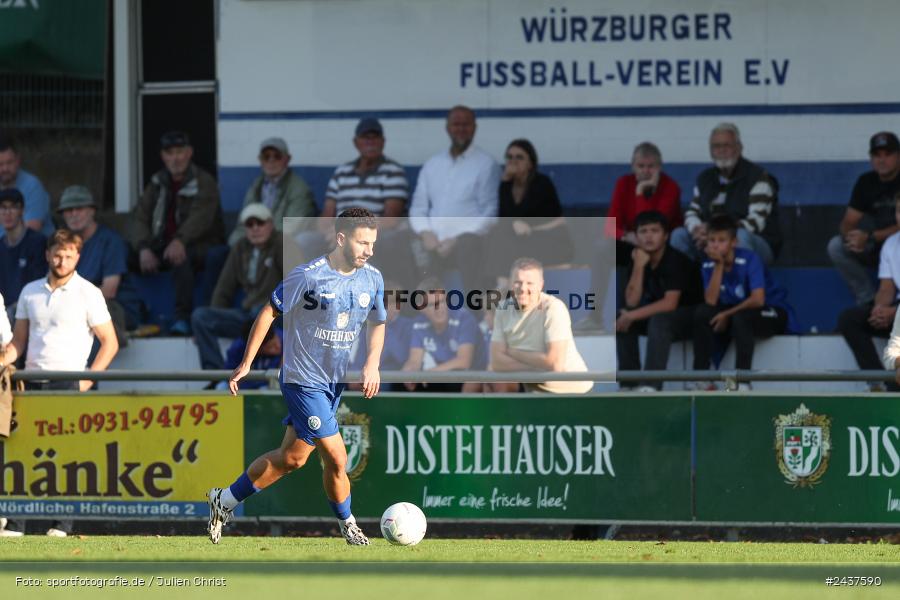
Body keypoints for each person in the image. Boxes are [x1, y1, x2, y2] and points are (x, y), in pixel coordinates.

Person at [206, 208, 386, 546]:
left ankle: (224, 500)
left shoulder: (372, 278)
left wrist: (372, 363)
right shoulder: (309, 276)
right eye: (363, 243)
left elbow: (378, 322)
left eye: (373, 243)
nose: (369, 250)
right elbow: (268, 312)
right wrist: (247, 362)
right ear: (341, 238)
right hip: (302, 379)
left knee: (292, 458)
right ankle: (349, 526)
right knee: (337, 455)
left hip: (333, 382)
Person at [0, 229, 119, 537]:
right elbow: (19, 343)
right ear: (47, 254)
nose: (62, 260)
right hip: (30, 381)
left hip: (68, 381)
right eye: (57, 253)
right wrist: (3, 359)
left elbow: (110, 343)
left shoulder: (89, 292)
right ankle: (16, 523)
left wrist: (88, 380)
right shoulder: (30, 291)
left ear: (77, 256)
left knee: (66, 456)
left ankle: (61, 525)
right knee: (23, 452)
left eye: (68, 255)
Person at [129, 130, 225, 335]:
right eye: (169, 153)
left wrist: (180, 240)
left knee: (181, 258)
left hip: (200, 244)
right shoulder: (156, 182)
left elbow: (201, 219)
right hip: (163, 243)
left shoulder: (204, 181)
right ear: (163, 156)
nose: (175, 158)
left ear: (189, 153)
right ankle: (132, 315)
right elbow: (140, 217)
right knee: (125, 255)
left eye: (180, 152)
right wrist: (144, 247)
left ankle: (183, 319)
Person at [691, 215, 796, 390]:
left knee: (741, 317)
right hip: (737, 312)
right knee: (702, 313)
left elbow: (758, 299)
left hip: (771, 310)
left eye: (721, 240)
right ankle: (701, 378)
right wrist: (718, 265)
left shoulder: (750, 259)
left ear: (734, 242)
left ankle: (742, 382)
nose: (715, 245)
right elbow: (710, 302)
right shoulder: (708, 265)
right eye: (711, 240)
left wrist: (726, 314)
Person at [409, 105, 500, 294]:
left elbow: (491, 213)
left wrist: (457, 239)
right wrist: (425, 232)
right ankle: (416, 317)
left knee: (469, 245)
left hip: (466, 245)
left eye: (466, 125)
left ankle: (474, 318)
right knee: (406, 243)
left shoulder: (486, 164)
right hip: (433, 243)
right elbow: (418, 208)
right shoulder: (433, 164)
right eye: (456, 124)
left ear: (474, 128)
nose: (460, 129)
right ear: (447, 128)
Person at [313, 118, 414, 286]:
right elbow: (326, 216)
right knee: (306, 240)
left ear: (382, 142)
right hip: (341, 234)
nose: (370, 142)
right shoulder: (342, 172)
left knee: (387, 241)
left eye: (375, 137)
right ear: (356, 142)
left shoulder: (393, 172)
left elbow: (391, 219)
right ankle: (310, 299)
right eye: (365, 137)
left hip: (374, 234)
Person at [192, 203, 283, 376]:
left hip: (276, 315)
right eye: (250, 224)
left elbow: (298, 283)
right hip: (248, 316)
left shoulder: (282, 243)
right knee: (200, 317)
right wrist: (214, 314)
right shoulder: (240, 247)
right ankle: (216, 375)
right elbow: (223, 288)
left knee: (260, 311)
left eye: (260, 223)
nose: (255, 228)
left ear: (271, 224)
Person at [615, 211, 703, 391]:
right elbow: (631, 302)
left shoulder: (676, 260)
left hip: (694, 317)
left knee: (658, 320)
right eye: (643, 231)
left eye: (654, 231)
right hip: (665, 316)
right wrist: (639, 266)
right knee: (622, 320)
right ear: (636, 236)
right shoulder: (639, 258)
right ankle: (629, 384)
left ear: (666, 236)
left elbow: (670, 303)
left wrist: (631, 315)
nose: (648, 236)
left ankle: (651, 385)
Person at [672, 123, 780, 265]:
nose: (721, 150)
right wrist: (696, 230)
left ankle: (741, 286)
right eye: (716, 146)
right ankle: (688, 285)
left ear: (739, 148)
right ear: (711, 151)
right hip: (712, 239)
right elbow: (692, 212)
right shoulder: (705, 178)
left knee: (741, 237)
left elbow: (755, 223)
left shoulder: (758, 177)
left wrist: (715, 234)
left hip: (756, 243)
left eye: (727, 145)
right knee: (679, 235)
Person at [490, 258, 593, 394]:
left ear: (541, 285)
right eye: (518, 282)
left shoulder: (553, 308)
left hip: (573, 394)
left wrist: (512, 352)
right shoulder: (502, 310)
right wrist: (538, 364)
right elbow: (497, 363)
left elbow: (555, 364)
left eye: (530, 283)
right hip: (535, 393)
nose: (523, 288)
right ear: (510, 284)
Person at [485, 139, 573, 287]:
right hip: (521, 241)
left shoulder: (541, 183)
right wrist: (505, 183)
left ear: (530, 163)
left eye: (519, 157)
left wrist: (519, 224)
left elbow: (534, 217)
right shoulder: (506, 185)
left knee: (503, 240)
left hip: (549, 239)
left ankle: (502, 287)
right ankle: (501, 285)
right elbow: (505, 219)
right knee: (496, 235)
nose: (513, 161)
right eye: (509, 157)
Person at [57, 185, 137, 346]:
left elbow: (109, 290)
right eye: (68, 210)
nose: (73, 214)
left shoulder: (110, 241)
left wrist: (67, 301)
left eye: (79, 208)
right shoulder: (62, 246)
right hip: (73, 307)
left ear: (92, 210)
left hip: (115, 309)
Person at [828, 131, 900, 306]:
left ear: (898, 156)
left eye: (887, 154)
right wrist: (853, 239)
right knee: (837, 246)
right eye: (877, 155)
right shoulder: (866, 182)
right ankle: (868, 302)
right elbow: (848, 222)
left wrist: (870, 236)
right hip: (877, 244)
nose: (882, 160)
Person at [839, 192, 900, 391]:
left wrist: (894, 312)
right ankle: (880, 383)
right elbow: (886, 287)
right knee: (850, 319)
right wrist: (880, 308)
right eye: (899, 211)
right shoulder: (892, 244)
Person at [400, 278, 484, 393]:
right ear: (421, 308)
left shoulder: (464, 318)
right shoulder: (418, 324)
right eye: (431, 305)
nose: (438, 309)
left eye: (442, 302)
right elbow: (415, 360)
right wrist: (408, 373)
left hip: (474, 376)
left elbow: (464, 361)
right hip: (442, 377)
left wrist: (428, 374)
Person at [229, 137, 316, 246]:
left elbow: (292, 227)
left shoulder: (299, 188)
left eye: (277, 156)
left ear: (287, 159)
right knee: (219, 254)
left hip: (283, 245)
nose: (271, 160)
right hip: (254, 242)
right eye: (266, 156)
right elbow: (243, 224)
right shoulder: (255, 186)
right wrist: (237, 243)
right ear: (260, 160)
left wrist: (260, 238)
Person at [606, 141, 682, 249]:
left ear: (659, 167)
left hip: (664, 244)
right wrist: (625, 236)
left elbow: (651, 226)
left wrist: (640, 191)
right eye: (640, 166)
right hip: (632, 240)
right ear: (633, 167)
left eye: (651, 166)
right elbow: (610, 227)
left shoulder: (671, 187)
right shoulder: (623, 183)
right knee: (604, 244)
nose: (645, 171)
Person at [0, 188, 47, 324]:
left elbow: (39, 283)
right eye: (3, 208)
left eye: (13, 207)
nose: (7, 213)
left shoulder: (37, 242)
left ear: (22, 211)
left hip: (31, 312)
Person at [0, 137, 53, 238]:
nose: (5, 168)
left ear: (18, 161)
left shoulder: (32, 186)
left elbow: (31, 230)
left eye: (9, 162)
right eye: (0, 164)